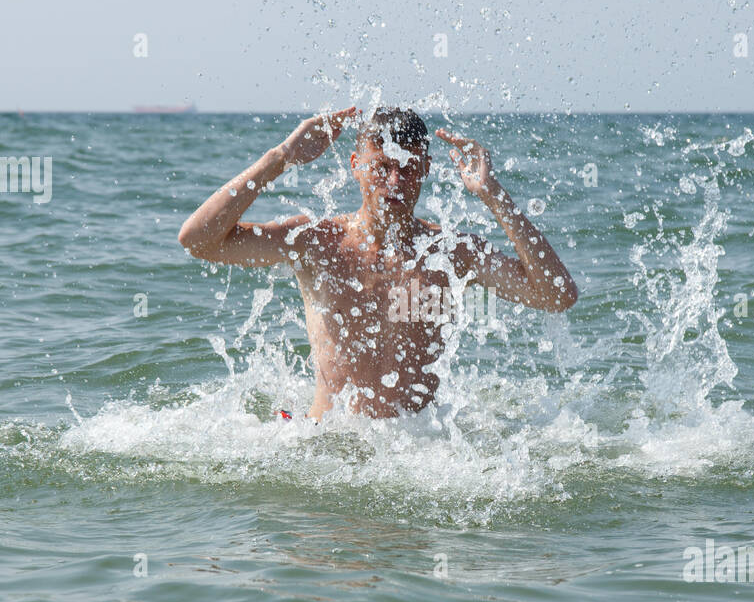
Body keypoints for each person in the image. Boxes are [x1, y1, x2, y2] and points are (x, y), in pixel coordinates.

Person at [177, 106, 578, 418]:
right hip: (326, 441)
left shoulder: (449, 253)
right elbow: (198, 241)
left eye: (407, 168)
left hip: (414, 448)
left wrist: (492, 194)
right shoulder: (316, 242)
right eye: (382, 166)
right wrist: (280, 157)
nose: (395, 181)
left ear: (425, 170)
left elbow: (557, 295)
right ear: (355, 166)